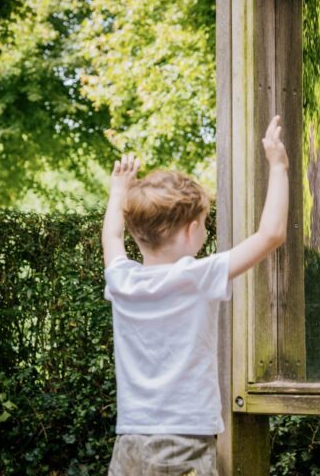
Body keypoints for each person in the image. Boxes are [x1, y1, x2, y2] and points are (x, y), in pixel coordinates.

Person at [102, 115, 288, 475]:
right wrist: (278, 166)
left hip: (131, 441)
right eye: (204, 223)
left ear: (138, 234)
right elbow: (271, 234)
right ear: (191, 231)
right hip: (186, 441)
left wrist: (118, 191)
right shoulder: (197, 276)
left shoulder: (122, 281)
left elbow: (111, 237)